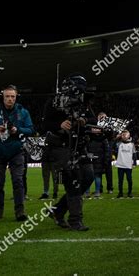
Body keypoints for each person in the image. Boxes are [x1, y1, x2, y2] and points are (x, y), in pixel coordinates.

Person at [42, 74, 95, 231]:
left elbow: (94, 120)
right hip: (60, 146)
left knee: (89, 176)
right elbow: (44, 125)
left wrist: (84, 121)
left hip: (79, 145)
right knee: (73, 180)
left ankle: (57, 211)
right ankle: (75, 220)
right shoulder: (53, 101)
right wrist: (60, 124)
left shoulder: (83, 102)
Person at [0, 85, 34, 221]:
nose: (10, 99)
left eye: (13, 96)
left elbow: (30, 130)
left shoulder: (23, 112)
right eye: (7, 96)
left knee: (18, 181)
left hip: (17, 151)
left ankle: (20, 212)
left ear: (16, 98)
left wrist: (18, 130)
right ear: (2, 97)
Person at [115, 130, 136, 198]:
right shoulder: (119, 144)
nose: (124, 136)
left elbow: (134, 154)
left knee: (129, 179)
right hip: (120, 165)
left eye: (125, 134)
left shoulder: (132, 144)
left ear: (129, 136)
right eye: (123, 134)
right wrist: (116, 138)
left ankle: (130, 192)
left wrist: (134, 163)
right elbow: (112, 145)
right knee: (120, 180)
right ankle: (120, 192)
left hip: (128, 165)